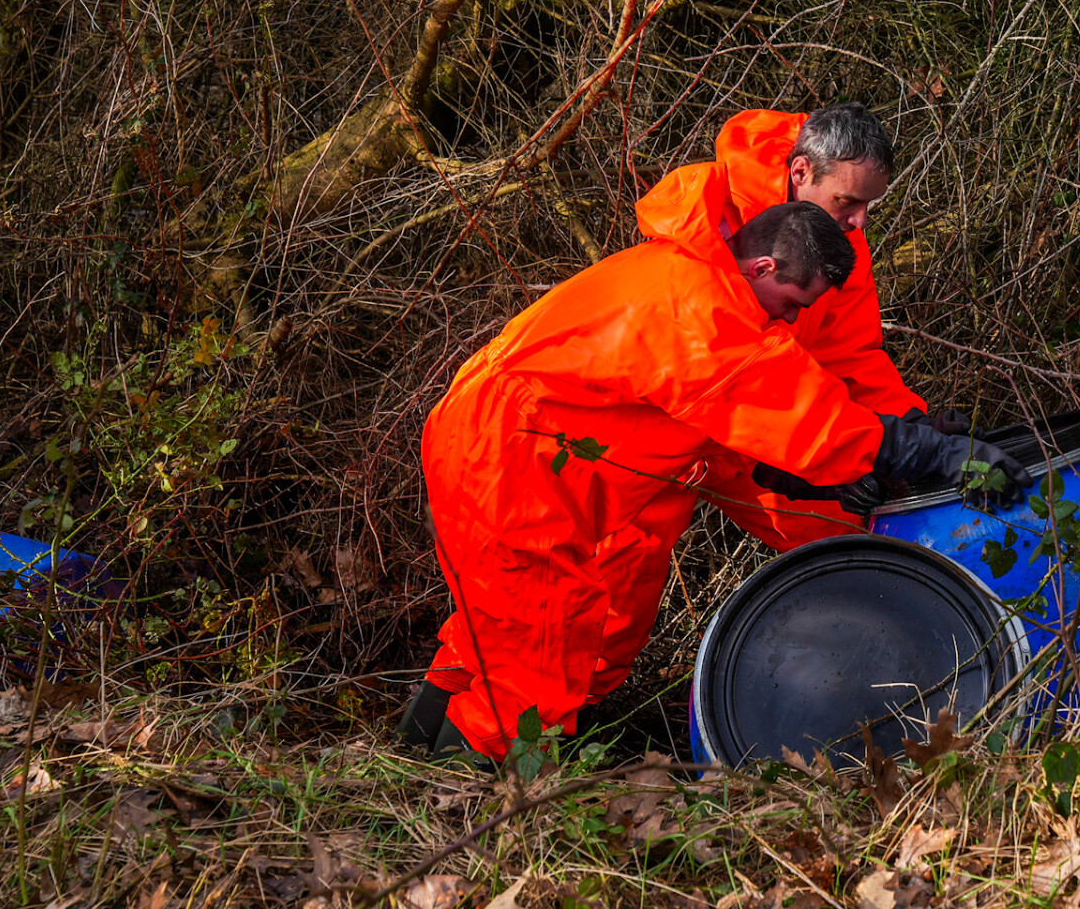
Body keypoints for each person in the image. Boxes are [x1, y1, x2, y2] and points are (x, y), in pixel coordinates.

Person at [403, 201, 1029, 761]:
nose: (788, 323)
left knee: (491, 632)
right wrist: (938, 455)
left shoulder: (688, 276)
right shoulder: (704, 312)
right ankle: (475, 814)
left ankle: (407, 766)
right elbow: (812, 422)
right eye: (791, 303)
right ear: (761, 268)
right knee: (535, 652)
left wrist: (853, 471)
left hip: (497, 443)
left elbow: (741, 453)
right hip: (511, 460)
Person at [636, 104, 969, 549]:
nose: (859, 220)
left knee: (865, 536)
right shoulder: (711, 226)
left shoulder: (845, 245)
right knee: (607, 580)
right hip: (667, 431)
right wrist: (815, 461)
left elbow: (850, 355)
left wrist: (909, 427)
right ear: (801, 171)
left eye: (868, 205)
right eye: (848, 202)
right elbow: (714, 372)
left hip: (770, 435)